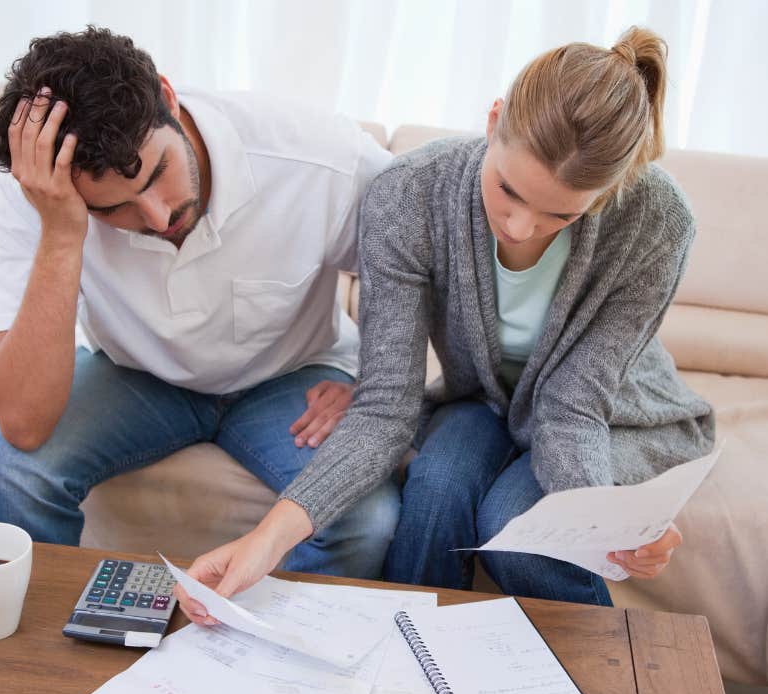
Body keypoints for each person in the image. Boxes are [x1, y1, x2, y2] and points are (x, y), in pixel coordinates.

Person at [176, 26, 715, 623]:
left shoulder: (658, 220)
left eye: (559, 214)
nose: (518, 226)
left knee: (516, 528)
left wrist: (602, 525)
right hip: (483, 401)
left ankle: (615, 693)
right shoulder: (408, 195)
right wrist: (265, 542)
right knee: (434, 489)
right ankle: (411, 674)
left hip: (612, 416)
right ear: (493, 120)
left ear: (610, 189)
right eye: (506, 189)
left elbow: (572, 404)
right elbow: (386, 408)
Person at [0, 26, 400, 580]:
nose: (156, 217)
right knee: (17, 474)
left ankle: (283, 661)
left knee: (364, 517)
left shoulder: (323, 159)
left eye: (157, 173)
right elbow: (24, 425)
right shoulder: (35, 191)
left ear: (169, 98)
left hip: (290, 376)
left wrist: (376, 387)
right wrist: (62, 232)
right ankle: (38, 663)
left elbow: (429, 274)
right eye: (113, 209)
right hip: (137, 377)